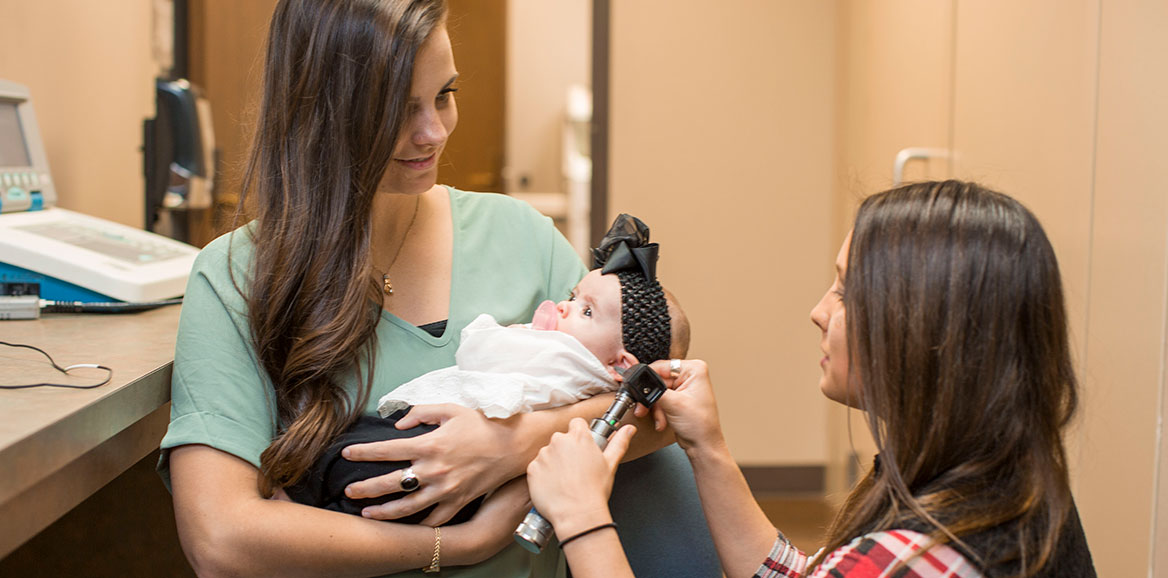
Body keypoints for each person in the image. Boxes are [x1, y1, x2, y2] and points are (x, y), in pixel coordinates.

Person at [157, 1, 718, 576]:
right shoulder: (235, 277)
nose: (433, 132)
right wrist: (465, 543)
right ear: (321, 111)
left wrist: (515, 441)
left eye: (444, 95)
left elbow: (662, 413)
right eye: (398, 110)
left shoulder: (520, 237)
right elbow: (219, 540)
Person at [527, 181, 1097, 578]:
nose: (819, 310)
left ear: (923, 329)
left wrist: (583, 519)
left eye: (846, 291)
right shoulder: (1002, 485)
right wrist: (708, 446)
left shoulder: (924, 554)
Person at [284, 215, 691, 520]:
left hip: (442, 446)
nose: (564, 305)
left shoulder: (567, 359)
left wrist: (514, 330)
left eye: (585, 310)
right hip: (461, 472)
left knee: (350, 457)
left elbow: (481, 354)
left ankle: (307, 504)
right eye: (573, 295)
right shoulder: (592, 377)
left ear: (621, 364)